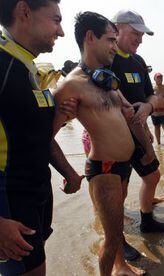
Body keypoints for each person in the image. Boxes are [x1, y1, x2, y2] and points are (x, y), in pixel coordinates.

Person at [53, 11, 144, 276]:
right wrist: (69, 173)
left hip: (123, 166)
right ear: (90, 38)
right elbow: (45, 137)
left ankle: (121, 266)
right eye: (110, 40)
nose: (115, 46)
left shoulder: (107, 80)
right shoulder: (71, 87)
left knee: (116, 230)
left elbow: (126, 112)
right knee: (113, 234)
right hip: (104, 169)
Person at [0, 1, 82, 275]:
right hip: (9, 200)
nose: (60, 32)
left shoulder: (29, 67)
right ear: (24, 12)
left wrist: (68, 170)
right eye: (55, 20)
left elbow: (31, 136)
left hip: (36, 191)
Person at [110, 10, 164, 235]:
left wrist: (148, 107)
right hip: (113, 138)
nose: (139, 39)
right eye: (135, 32)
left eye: (142, 34)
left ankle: (147, 220)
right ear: (116, 28)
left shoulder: (138, 61)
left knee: (153, 176)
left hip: (139, 132)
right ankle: (118, 240)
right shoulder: (106, 59)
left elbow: (152, 96)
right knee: (119, 190)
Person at [152, 72, 164, 145]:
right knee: (156, 127)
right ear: (155, 79)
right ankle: (159, 143)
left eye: (161, 77)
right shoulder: (152, 89)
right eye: (158, 78)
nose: (160, 79)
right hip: (155, 113)